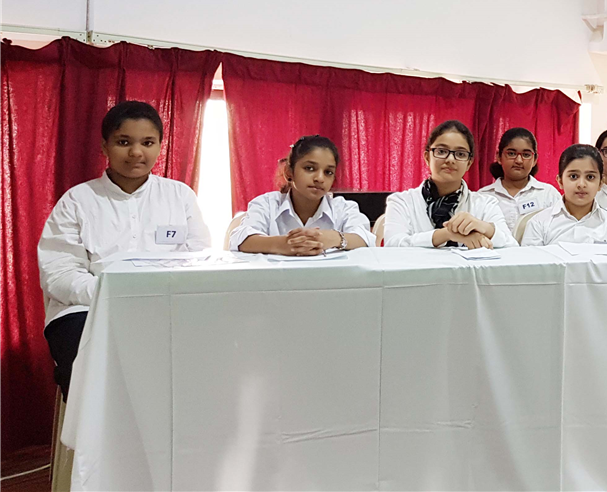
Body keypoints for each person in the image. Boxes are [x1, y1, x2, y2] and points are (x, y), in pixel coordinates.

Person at [38, 101, 211, 399]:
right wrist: (117, 293)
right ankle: (96, 431)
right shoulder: (78, 200)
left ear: (160, 145)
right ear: (104, 146)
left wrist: (157, 296)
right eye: (123, 142)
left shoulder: (179, 196)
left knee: (208, 354)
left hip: (165, 307)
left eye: (147, 142)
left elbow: (198, 259)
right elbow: (59, 274)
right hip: (88, 309)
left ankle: (176, 428)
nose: (136, 153)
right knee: (90, 366)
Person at [383, 120, 516, 248]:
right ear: (427, 157)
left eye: (460, 154)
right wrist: (446, 234)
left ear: (469, 163)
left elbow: (512, 247)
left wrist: (485, 228)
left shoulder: (485, 204)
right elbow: (392, 245)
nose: (450, 159)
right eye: (441, 151)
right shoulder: (401, 202)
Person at [229, 135, 372, 254]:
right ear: (289, 172)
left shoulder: (343, 207)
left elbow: (366, 239)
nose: (320, 178)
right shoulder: (266, 204)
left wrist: (333, 238)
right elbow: (240, 239)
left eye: (328, 172)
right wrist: (283, 244)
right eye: (310, 168)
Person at [521, 144, 607, 246]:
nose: (581, 184)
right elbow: (529, 261)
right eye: (573, 176)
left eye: (590, 177)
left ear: (600, 183)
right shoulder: (539, 224)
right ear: (560, 181)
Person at [478, 127, 560, 232]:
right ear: (499, 157)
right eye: (511, 153)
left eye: (526, 155)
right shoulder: (483, 197)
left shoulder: (548, 195)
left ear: (535, 160)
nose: (519, 160)